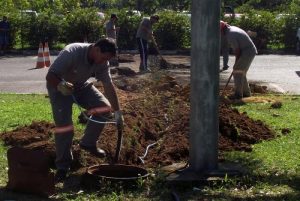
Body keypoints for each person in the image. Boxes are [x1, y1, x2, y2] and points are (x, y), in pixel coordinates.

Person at [46, 38, 124, 182]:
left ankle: (88, 143)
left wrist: (117, 112)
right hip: (58, 87)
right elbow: (50, 75)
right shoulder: (72, 52)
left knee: (105, 109)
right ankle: (63, 167)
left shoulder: (102, 61)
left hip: (80, 86)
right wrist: (61, 85)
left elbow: (108, 85)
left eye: (106, 59)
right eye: (103, 57)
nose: (103, 62)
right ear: (96, 49)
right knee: (65, 127)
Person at [220, 21, 257, 99]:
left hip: (247, 52)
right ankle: (246, 93)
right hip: (249, 51)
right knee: (241, 72)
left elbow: (238, 50)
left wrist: (236, 62)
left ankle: (238, 95)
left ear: (222, 30)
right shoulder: (231, 29)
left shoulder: (230, 34)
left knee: (237, 72)